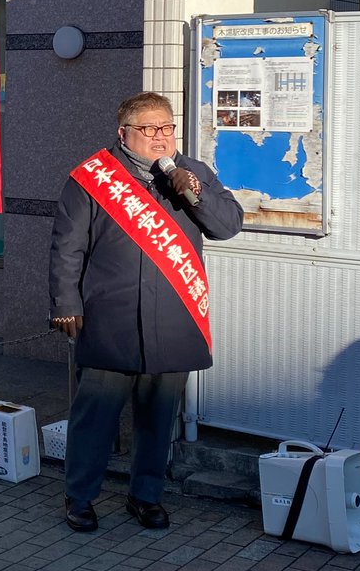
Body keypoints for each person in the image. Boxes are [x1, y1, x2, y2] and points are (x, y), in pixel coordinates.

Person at [49, 92, 243, 532]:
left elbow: (228, 225)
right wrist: (65, 303)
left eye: (167, 128)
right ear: (124, 134)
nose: (161, 137)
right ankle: (80, 496)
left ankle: (146, 495)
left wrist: (194, 194)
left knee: (158, 417)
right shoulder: (92, 177)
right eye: (149, 128)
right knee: (95, 417)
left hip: (174, 318)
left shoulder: (193, 172)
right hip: (110, 317)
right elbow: (67, 248)